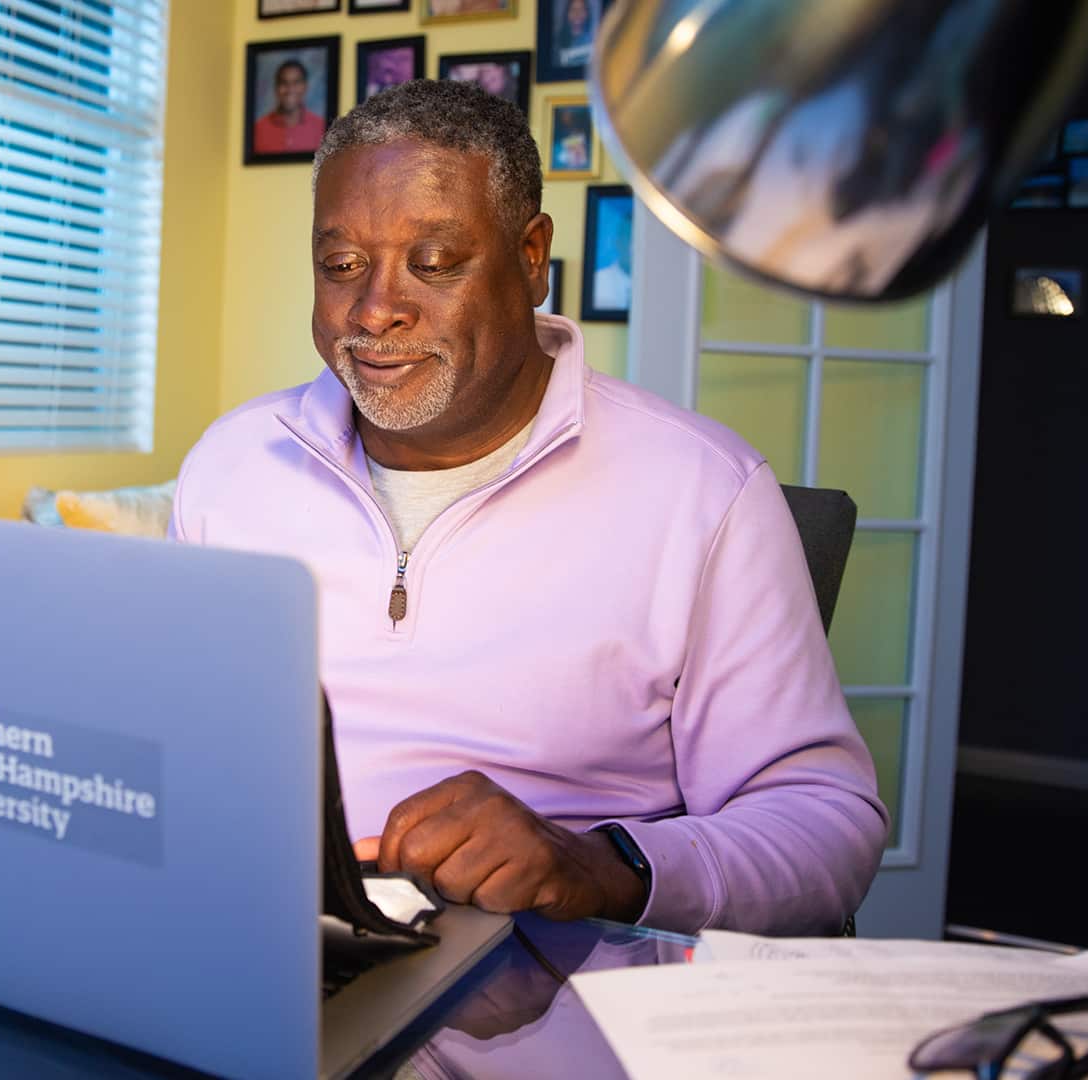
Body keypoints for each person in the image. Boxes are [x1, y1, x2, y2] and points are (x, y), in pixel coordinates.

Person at [171, 80, 887, 936]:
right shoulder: (231, 465)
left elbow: (826, 830)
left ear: (531, 256)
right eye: (341, 266)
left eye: (434, 263)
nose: (375, 310)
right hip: (259, 945)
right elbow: (180, 744)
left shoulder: (704, 490)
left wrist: (601, 864)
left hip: (546, 982)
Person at [253, 58, 325, 156]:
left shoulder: (321, 127)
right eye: (284, 83)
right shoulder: (258, 129)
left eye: (296, 82)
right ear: (276, 87)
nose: (290, 89)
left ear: (305, 87)